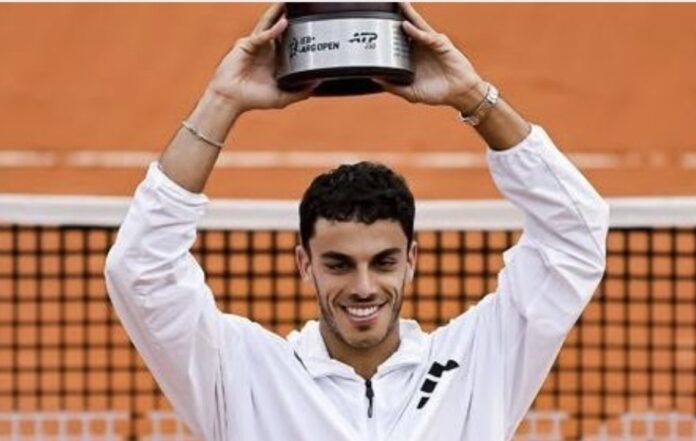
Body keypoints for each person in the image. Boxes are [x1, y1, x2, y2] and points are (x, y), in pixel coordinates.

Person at [104, 3, 609, 440]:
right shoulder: (239, 373)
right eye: (339, 264)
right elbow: (141, 270)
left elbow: (575, 233)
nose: (364, 287)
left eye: (384, 261)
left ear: (411, 259)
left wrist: (473, 97)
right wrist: (222, 101)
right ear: (305, 263)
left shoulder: (481, 362)